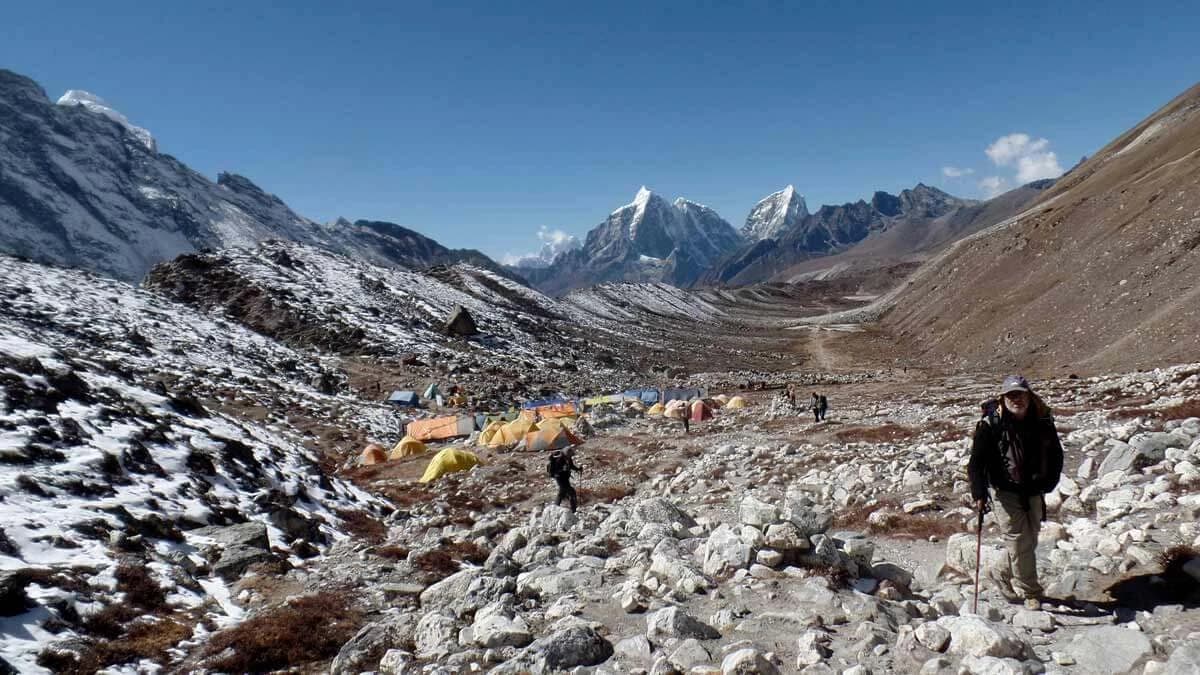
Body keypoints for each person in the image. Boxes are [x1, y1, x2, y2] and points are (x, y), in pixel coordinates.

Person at [967, 375, 1063, 610]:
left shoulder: (1042, 419)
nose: (1016, 399)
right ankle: (1031, 592)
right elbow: (976, 462)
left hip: (1033, 490)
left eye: (1020, 394)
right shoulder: (991, 425)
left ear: (1029, 396)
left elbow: (1056, 454)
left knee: (1030, 540)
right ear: (1003, 398)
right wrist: (979, 493)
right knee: (1019, 539)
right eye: (1011, 395)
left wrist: (1050, 482)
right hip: (1005, 491)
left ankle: (999, 572)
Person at [547, 447, 583, 512]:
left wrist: (578, 469)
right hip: (560, 478)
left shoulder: (568, 458)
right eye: (570, 455)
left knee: (562, 493)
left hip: (565, 478)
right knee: (571, 492)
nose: (571, 456)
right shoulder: (559, 459)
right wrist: (563, 470)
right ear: (567, 454)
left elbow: (571, 466)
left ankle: (555, 507)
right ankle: (573, 510)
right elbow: (556, 470)